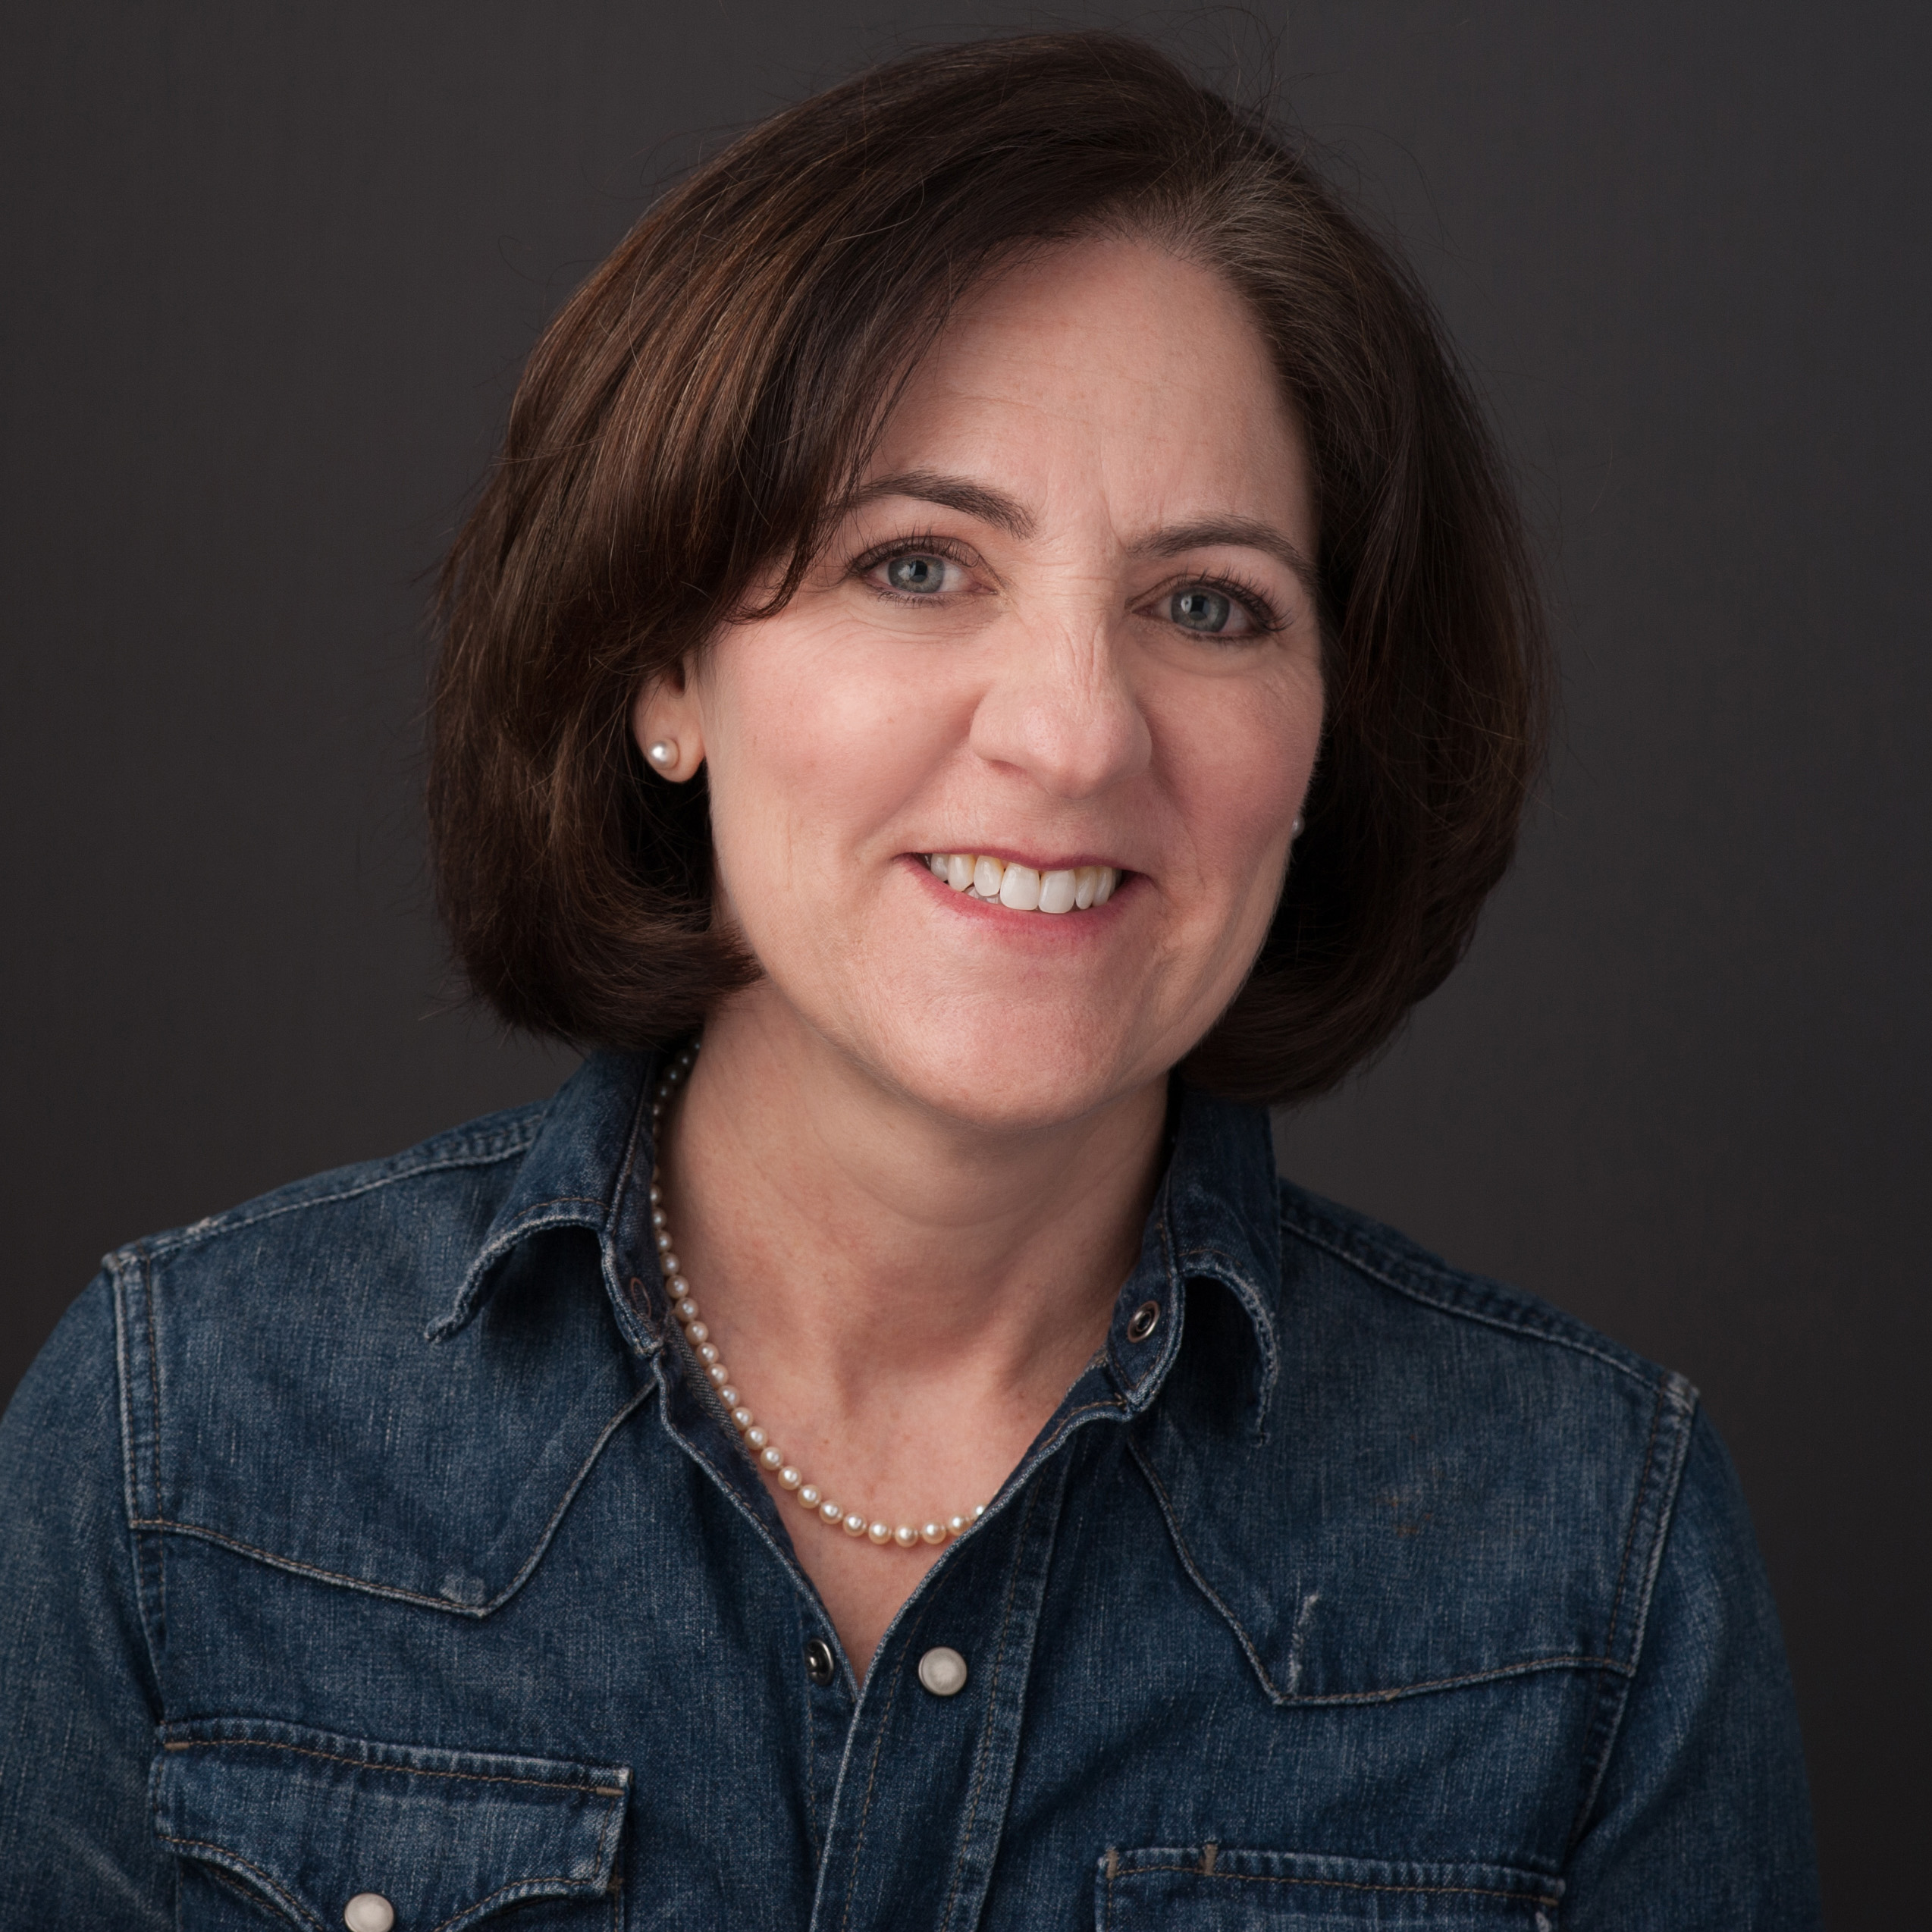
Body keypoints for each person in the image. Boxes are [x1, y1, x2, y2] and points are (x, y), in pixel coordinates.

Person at [0, 31, 1817, 1929]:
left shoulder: (1595, 1560)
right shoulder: (170, 1444)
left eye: (1207, 604)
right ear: (664, 669)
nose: (1069, 731)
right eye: (918, 564)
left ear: (1325, 742)